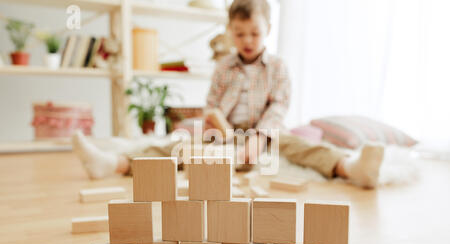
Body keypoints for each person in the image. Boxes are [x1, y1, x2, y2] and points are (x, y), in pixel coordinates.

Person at [73, 0, 384, 189]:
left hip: (269, 134)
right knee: (177, 147)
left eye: (254, 33)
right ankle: (114, 163)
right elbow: (211, 106)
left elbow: (279, 106)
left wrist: (259, 139)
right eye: (239, 33)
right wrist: (219, 128)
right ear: (229, 30)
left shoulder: (277, 67)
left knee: (303, 147)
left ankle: (351, 168)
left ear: (268, 30)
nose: (247, 40)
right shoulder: (224, 66)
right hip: (225, 135)